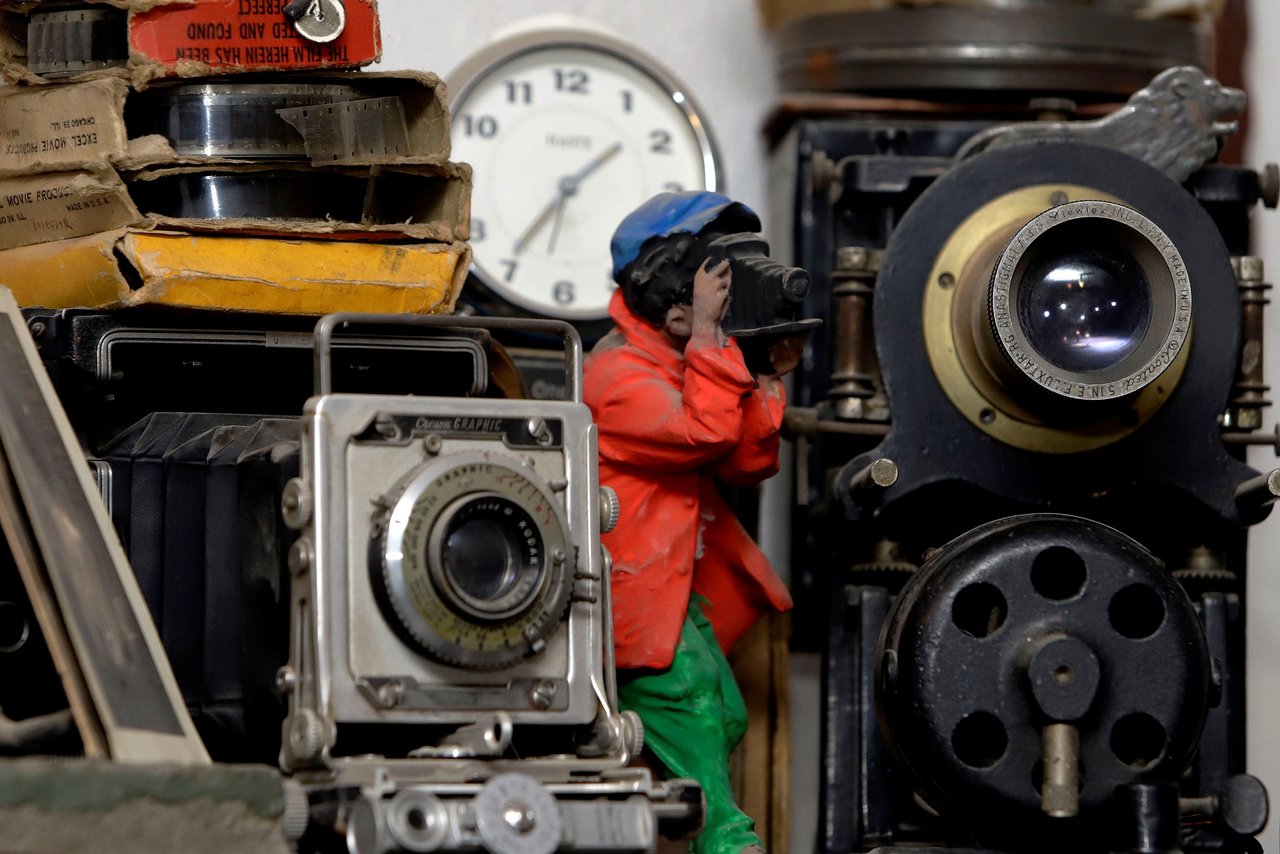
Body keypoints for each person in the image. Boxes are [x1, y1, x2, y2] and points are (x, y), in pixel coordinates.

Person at [583, 191, 802, 854]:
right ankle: (726, 840)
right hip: (633, 592)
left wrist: (761, 373)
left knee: (726, 713)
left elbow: (745, 463)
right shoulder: (616, 376)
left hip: (681, 586)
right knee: (693, 704)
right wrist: (710, 340)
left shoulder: (684, 361)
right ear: (664, 287)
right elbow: (702, 434)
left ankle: (676, 816)